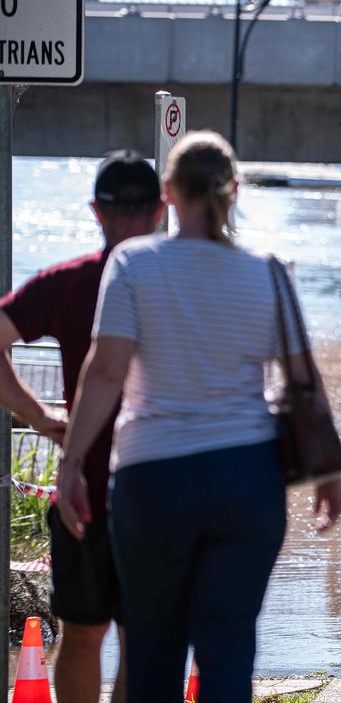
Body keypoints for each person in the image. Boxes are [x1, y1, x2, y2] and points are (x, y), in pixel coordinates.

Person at [55, 131, 341, 703]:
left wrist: (70, 463)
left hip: (153, 479)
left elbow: (107, 371)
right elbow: (303, 378)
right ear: (233, 191)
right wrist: (328, 474)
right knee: (229, 650)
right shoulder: (268, 273)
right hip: (247, 481)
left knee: (152, 649)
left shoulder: (134, 263)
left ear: (167, 192)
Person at [0, 149, 164, 703]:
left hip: (82, 490)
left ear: (96, 211)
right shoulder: (181, 284)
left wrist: (39, 417)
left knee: (81, 633)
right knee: (143, 640)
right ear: (161, 209)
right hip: (160, 487)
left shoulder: (68, 282)